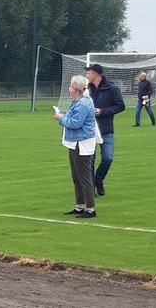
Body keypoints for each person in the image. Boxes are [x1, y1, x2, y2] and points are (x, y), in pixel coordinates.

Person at [54, 75, 98, 218]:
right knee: (76, 176)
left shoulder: (84, 103)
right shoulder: (76, 102)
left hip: (83, 143)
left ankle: (90, 209)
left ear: (76, 89)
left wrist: (61, 118)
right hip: (74, 142)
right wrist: (63, 117)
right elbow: (71, 118)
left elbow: (75, 123)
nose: (69, 89)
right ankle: (79, 206)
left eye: (71, 86)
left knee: (84, 176)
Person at [86, 63, 125, 197]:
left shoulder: (112, 89)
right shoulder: (87, 89)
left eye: (89, 73)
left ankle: (98, 180)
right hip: (89, 130)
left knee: (107, 158)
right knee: (90, 160)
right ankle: (91, 188)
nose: (87, 75)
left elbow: (120, 106)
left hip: (105, 129)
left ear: (96, 74)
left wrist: (102, 111)